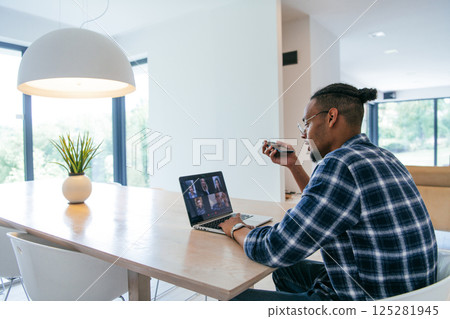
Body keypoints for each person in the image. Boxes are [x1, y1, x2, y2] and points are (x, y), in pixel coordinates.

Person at [219, 83, 437, 301]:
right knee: (286, 270)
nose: (304, 134)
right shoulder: (383, 156)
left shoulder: (340, 163)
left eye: (306, 123)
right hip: (403, 292)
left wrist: (236, 227)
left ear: (331, 117)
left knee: (233, 300)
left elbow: (276, 249)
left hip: (366, 300)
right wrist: (293, 165)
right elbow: (326, 210)